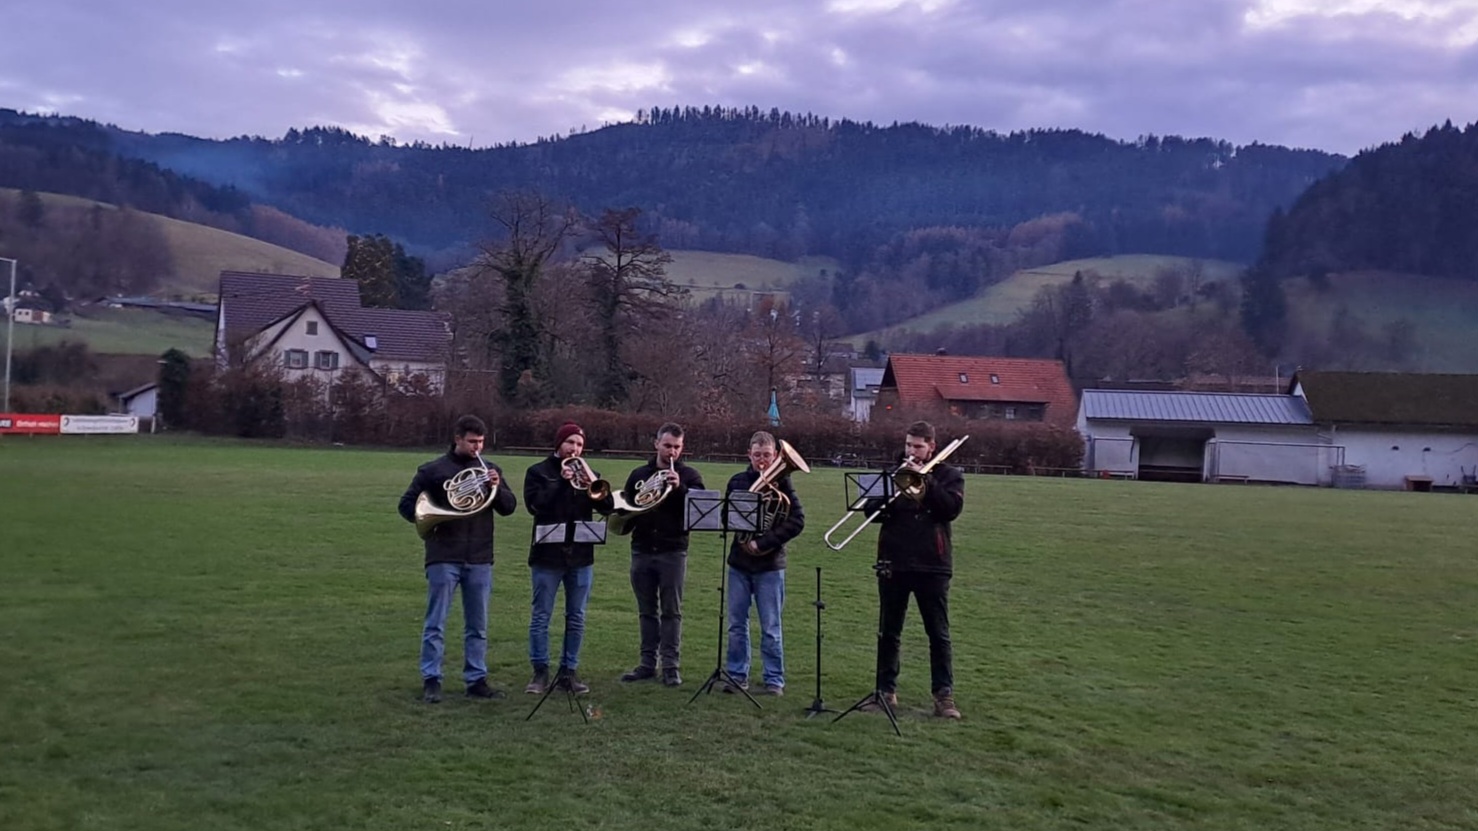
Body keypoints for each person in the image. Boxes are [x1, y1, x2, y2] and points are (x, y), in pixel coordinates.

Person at [397, 414, 517, 704]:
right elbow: (406, 505)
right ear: (458, 439)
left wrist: (496, 488)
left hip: (479, 556)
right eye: (472, 441)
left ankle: (476, 679)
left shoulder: (489, 470)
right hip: (443, 555)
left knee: (478, 626)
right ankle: (431, 679)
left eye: (481, 442)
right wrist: (435, 516)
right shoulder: (433, 471)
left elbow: (509, 507)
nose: (478, 447)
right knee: (436, 623)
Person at [864, 420, 965, 719]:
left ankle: (943, 696)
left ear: (931, 447)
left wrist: (926, 481)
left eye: (918, 446)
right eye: (908, 445)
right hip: (893, 561)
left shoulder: (950, 476)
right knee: (888, 631)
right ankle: (885, 692)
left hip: (932, 564)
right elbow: (870, 511)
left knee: (938, 633)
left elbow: (950, 509)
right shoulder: (892, 473)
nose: (911, 451)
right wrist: (889, 497)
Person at [521, 421, 614, 696]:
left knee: (576, 617)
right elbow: (536, 506)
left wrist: (589, 483)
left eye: (579, 444)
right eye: (570, 442)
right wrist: (561, 483)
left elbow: (607, 507)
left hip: (581, 557)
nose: (574, 449)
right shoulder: (537, 472)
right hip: (547, 556)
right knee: (541, 616)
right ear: (559, 444)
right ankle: (540, 671)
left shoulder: (590, 474)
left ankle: (568, 672)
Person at [619, 422, 705, 686]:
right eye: (667, 446)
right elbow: (626, 508)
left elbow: (700, 509)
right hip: (642, 549)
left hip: (673, 551)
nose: (672, 452)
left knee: (671, 611)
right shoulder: (639, 475)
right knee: (646, 611)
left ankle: (670, 666)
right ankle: (647, 664)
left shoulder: (690, 475)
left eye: (677, 447)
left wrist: (680, 488)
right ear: (656, 444)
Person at [722, 431, 805, 696]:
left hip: (770, 565)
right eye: (757, 455)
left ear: (775, 456)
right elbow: (725, 516)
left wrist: (763, 542)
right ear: (749, 454)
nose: (762, 461)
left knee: (771, 627)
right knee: (736, 625)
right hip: (739, 563)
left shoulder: (784, 483)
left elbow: (797, 521)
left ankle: (774, 679)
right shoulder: (737, 481)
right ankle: (737, 675)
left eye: (767, 455)